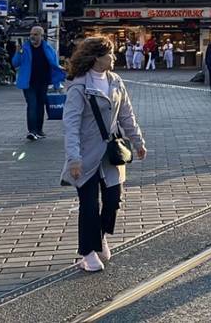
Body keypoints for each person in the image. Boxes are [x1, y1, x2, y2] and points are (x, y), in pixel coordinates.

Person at [60, 37, 147, 272]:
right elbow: (71, 125)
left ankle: (100, 237)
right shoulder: (79, 86)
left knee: (112, 201)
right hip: (86, 154)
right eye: (109, 54)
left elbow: (127, 115)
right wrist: (74, 159)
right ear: (97, 57)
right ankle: (87, 253)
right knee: (88, 205)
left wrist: (138, 142)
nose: (114, 58)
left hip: (111, 153)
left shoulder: (115, 80)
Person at [12, 26, 66, 141]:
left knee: (40, 105)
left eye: (36, 34)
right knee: (32, 105)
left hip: (43, 82)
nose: (33, 36)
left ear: (42, 36)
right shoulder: (24, 48)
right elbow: (15, 63)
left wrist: (57, 85)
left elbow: (55, 65)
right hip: (29, 82)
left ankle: (39, 130)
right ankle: (32, 131)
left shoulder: (48, 48)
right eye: (31, 34)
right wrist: (18, 52)